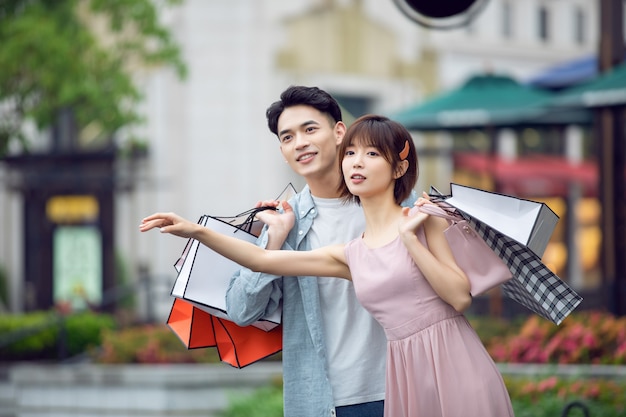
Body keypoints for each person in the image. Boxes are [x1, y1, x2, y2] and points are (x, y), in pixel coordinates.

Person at [140, 114, 515, 417]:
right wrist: (195, 230)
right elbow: (260, 261)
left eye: (371, 155)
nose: (357, 163)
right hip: (389, 385)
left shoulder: (421, 215)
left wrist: (409, 241)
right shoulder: (346, 250)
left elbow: (460, 297)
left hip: (452, 367)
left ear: (398, 168)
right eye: (352, 154)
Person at [229, 85, 401, 417]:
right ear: (282, 151)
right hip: (321, 400)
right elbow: (242, 311)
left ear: (339, 132)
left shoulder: (397, 208)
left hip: (400, 390)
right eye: (287, 137)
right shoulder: (284, 224)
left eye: (309, 129)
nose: (300, 143)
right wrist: (272, 240)